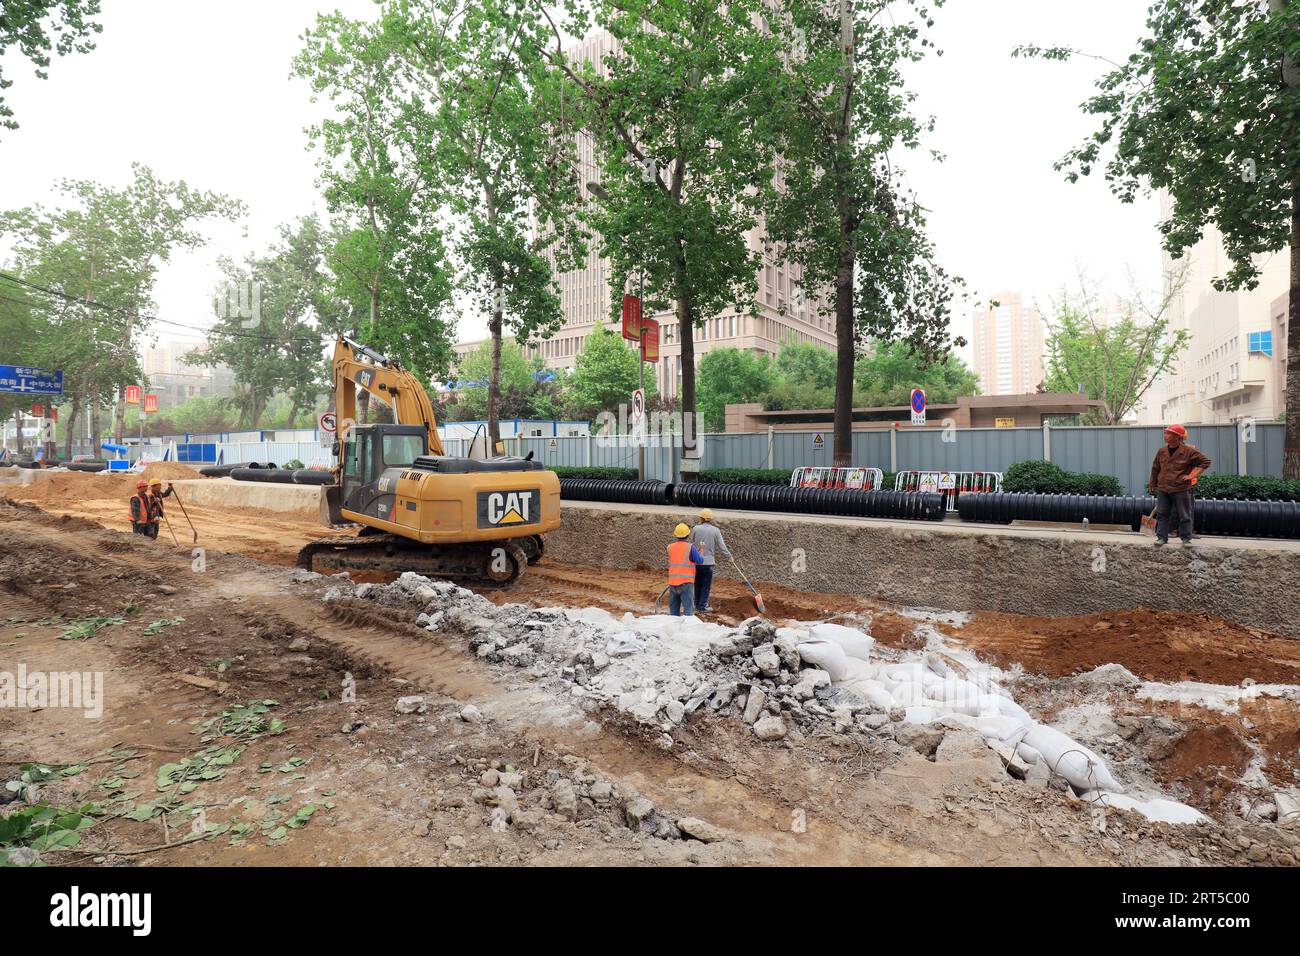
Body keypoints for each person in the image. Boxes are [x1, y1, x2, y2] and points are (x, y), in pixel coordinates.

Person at [1147, 424, 1211, 547]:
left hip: (1181, 488)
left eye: (1168, 433)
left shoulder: (1188, 451)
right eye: (1165, 433)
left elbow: (1206, 462)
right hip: (1163, 488)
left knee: (1184, 514)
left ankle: (1186, 539)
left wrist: (1192, 476)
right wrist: (1152, 483)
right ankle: (1161, 537)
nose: (1165, 436)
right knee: (1162, 513)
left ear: (1177, 437)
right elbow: (1155, 468)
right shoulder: (1162, 451)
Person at [688, 508, 732, 613]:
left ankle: (696, 604)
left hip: (697, 562)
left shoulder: (696, 529)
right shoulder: (715, 530)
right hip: (709, 563)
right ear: (710, 519)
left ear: (701, 518)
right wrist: (729, 556)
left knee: (697, 583)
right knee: (706, 585)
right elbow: (722, 545)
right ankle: (702, 606)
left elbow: (690, 543)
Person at [666, 522, 703, 617]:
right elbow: (700, 561)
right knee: (688, 612)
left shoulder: (670, 547)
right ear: (687, 534)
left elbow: (679, 558)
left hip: (673, 582)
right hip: (686, 583)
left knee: (673, 612)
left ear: (675, 535)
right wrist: (701, 551)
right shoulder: (690, 547)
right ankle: (687, 630)